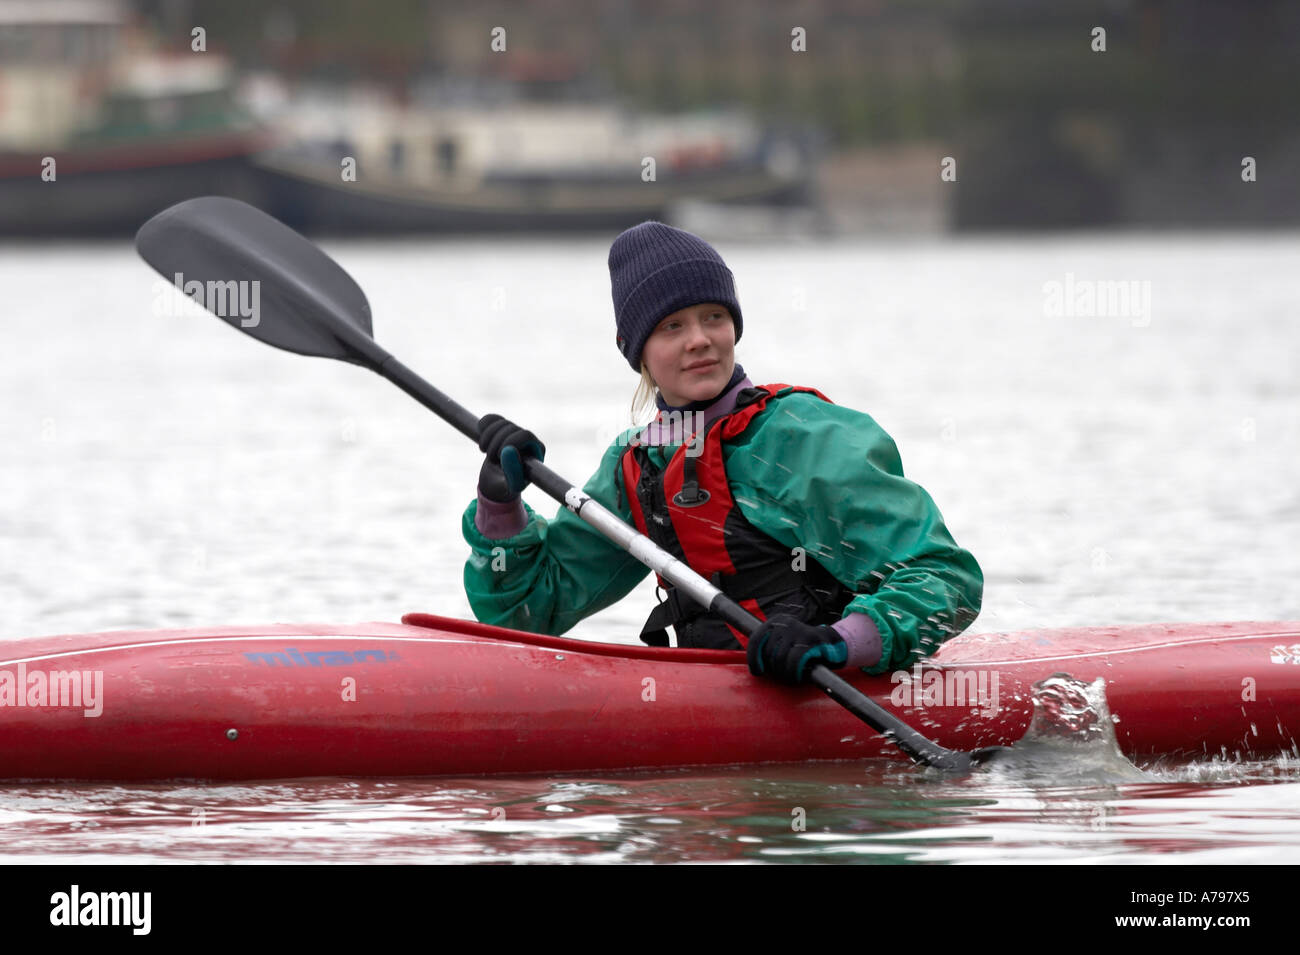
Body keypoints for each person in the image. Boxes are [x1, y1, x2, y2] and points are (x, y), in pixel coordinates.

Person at [462, 221, 982, 684]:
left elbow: (945, 578)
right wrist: (499, 505)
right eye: (672, 327)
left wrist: (841, 642)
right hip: (716, 689)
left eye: (713, 317)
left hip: (835, 678)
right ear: (635, 348)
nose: (700, 340)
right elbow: (527, 616)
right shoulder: (638, 466)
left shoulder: (807, 436)